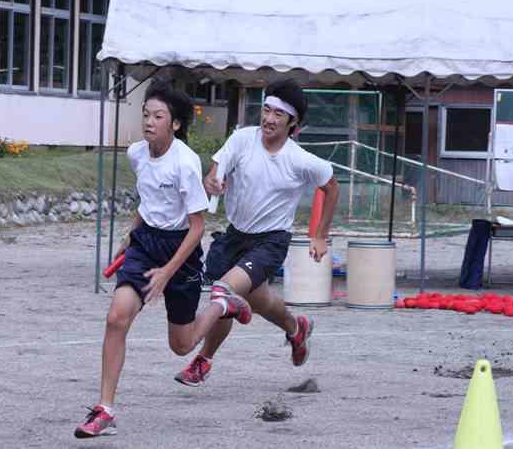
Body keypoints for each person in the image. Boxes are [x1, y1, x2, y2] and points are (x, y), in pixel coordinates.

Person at [75, 80, 253, 438]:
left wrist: (167, 272)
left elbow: (197, 227)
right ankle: (105, 409)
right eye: (146, 114)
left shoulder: (185, 162)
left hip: (181, 251)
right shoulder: (136, 153)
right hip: (146, 245)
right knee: (116, 317)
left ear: (175, 123)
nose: (149, 121)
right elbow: (149, 201)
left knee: (182, 346)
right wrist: (130, 236)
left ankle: (222, 304)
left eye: (158, 116)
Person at [175, 78, 339, 387]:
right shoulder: (242, 139)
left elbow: (331, 187)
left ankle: (202, 359)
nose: (269, 119)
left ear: (293, 122)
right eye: (266, 110)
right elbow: (214, 172)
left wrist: (320, 235)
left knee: (223, 291)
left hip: (270, 241)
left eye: (278, 114)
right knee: (261, 301)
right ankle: (296, 329)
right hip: (235, 236)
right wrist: (213, 182)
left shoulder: (300, 160)